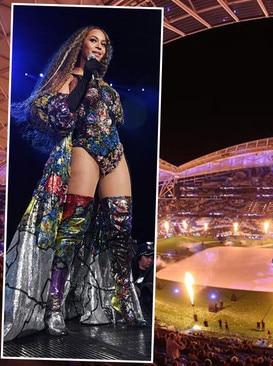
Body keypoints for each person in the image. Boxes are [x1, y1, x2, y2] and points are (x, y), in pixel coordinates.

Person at [3, 25, 147, 341]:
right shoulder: (67, 78)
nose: (98, 46)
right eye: (93, 40)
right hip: (83, 147)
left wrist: (97, 81)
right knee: (72, 229)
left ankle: (127, 302)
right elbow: (63, 116)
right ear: (79, 44)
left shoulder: (106, 85)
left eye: (104, 43)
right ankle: (55, 306)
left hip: (114, 151)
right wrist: (84, 79)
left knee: (121, 229)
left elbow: (117, 120)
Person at [132, 241, 155, 323]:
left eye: (152, 258)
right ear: (139, 257)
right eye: (147, 257)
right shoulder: (130, 272)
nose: (150, 260)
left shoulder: (153, 273)